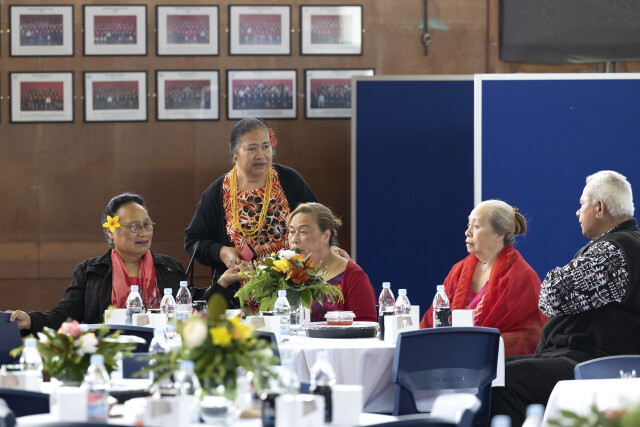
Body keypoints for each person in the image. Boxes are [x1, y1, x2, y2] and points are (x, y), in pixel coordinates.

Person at [491, 171, 640, 426]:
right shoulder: (626, 245)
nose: (577, 212)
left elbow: (552, 296)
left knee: (498, 380)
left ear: (600, 208)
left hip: (593, 362)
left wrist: (555, 279)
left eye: (582, 204)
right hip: (600, 359)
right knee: (495, 371)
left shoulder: (613, 252)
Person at [185, 118, 346, 309]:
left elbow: (320, 224)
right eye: (252, 148)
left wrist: (332, 247)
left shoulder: (289, 180)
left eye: (265, 146)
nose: (261, 155)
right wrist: (221, 252)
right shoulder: (217, 192)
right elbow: (193, 241)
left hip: (293, 293)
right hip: (238, 301)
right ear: (235, 153)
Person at [8, 193, 191, 333]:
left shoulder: (169, 268)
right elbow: (66, 314)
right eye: (134, 226)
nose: (144, 232)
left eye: (147, 224)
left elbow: (188, 305)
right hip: (106, 356)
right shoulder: (90, 272)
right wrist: (30, 320)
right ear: (111, 232)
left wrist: (213, 289)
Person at [420, 200, 546, 356]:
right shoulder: (458, 271)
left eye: (476, 226)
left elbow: (532, 336)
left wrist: (481, 344)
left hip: (497, 362)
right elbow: (431, 321)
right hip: (450, 355)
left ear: (499, 234)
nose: (467, 232)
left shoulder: (522, 276)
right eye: (468, 225)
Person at [287, 202, 377, 322]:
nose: (294, 239)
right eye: (292, 232)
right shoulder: (284, 272)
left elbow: (366, 327)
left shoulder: (353, 276)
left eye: (303, 232)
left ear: (326, 235)